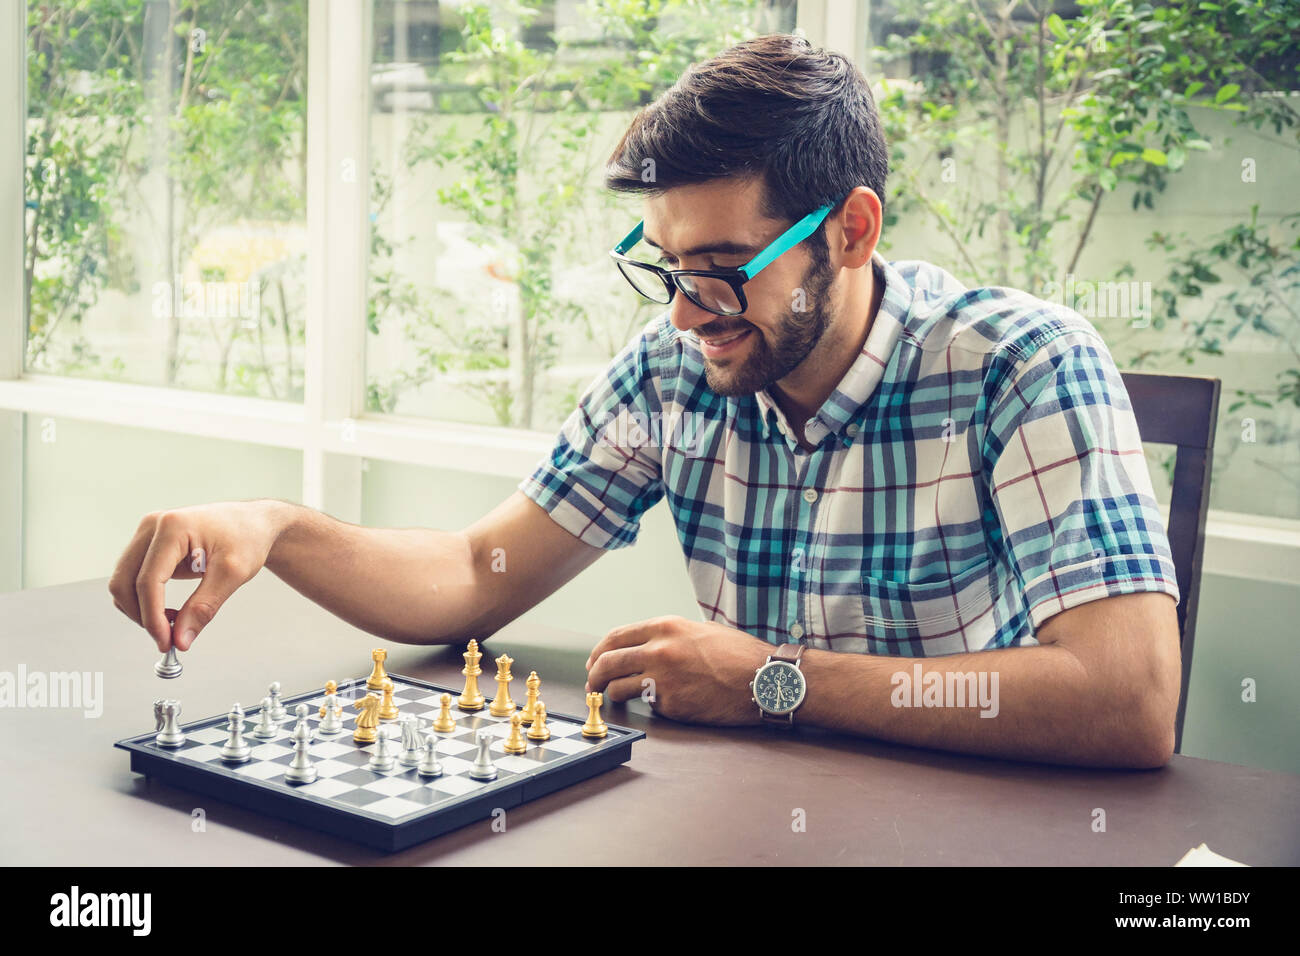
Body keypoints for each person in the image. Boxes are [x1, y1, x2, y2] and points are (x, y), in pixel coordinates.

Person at [109, 34, 1181, 769]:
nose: (684, 314)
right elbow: (469, 579)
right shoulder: (673, 372)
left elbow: (1127, 700)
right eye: (663, 266)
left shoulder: (1021, 364)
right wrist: (277, 527)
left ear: (851, 230)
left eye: (719, 265)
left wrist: (775, 681)